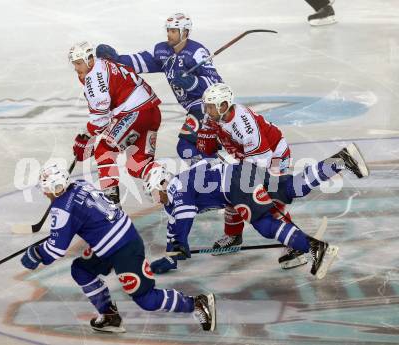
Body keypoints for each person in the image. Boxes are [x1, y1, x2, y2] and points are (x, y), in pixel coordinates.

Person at [20, 163, 216, 333]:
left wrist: (36, 253)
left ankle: (197, 303)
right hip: (114, 240)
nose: (44, 192)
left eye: (45, 188)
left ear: (53, 188)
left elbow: (56, 249)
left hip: (124, 249)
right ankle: (109, 316)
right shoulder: (80, 185)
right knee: (81, 269)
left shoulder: (62, 209)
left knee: (146, 299)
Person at [144, 142, 369, 278]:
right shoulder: (174, 193)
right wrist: (171, 255)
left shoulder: (177, 188)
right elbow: (174, 226)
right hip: (242, 173)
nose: (155, 198)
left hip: (235, 187)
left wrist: (180, 245)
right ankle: (341, 160)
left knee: (264, 224)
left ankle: (313, 248)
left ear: (163, 182)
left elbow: (183, 217)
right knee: (292, 187)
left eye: (154, 192)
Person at [95, 12, 223, 165]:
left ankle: (211, 173)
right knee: (196, 147)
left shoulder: (197, 52)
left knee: (186, 147)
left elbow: (217, 83)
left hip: (205, 105)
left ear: (185, 32)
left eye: (173, 31)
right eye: (168, 30)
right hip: (192, 108)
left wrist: (191, 82)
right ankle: (216, 171)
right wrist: (117, 60)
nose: (169, 34)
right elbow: (140, 61)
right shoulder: (163, 50)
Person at [196, 83, 300, 267]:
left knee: (270, 199)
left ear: (224, 105)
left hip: (274, 156)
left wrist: (246, 185)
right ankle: (234, 235)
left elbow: (262, 160)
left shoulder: (243, 124)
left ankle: (295, 245)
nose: (207, 110)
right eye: (207, 105)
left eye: (211, 106)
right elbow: (206, 146)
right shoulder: (213, 117)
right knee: (229, 190)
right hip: (249, 158)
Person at [69, 41, 162, 205]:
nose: (76, 68)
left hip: (134, 113)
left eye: (78, 63)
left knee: (104, 148)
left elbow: (101, 120)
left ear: (89, 59)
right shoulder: (104, 63)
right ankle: (167, 183)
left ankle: (110, 201)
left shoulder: (93, 79)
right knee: (138, 165)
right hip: (151, 113)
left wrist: (85, 139)